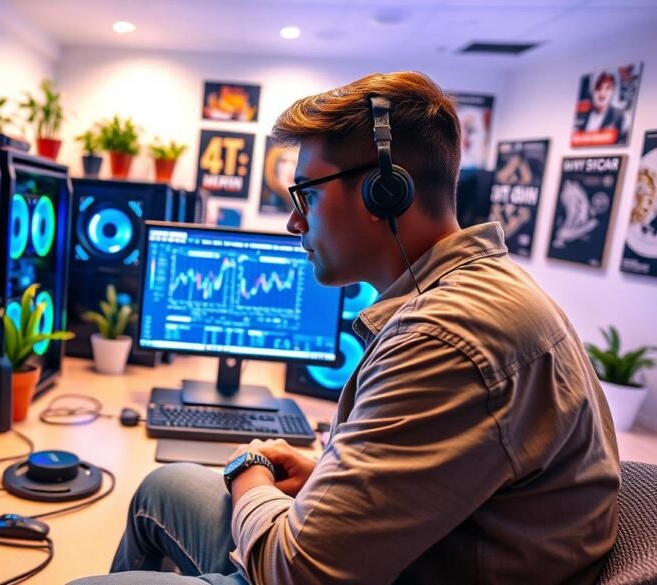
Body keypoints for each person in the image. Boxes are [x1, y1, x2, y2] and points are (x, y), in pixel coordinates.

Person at [72, 71, 620, 585]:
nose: (294, 221)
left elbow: (296, 573)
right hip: (412, 554)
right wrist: (326, 475)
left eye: (306, 193)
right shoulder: (478, 289)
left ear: (385, 192)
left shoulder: (445, 337)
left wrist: (248, 468)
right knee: (161, 486)